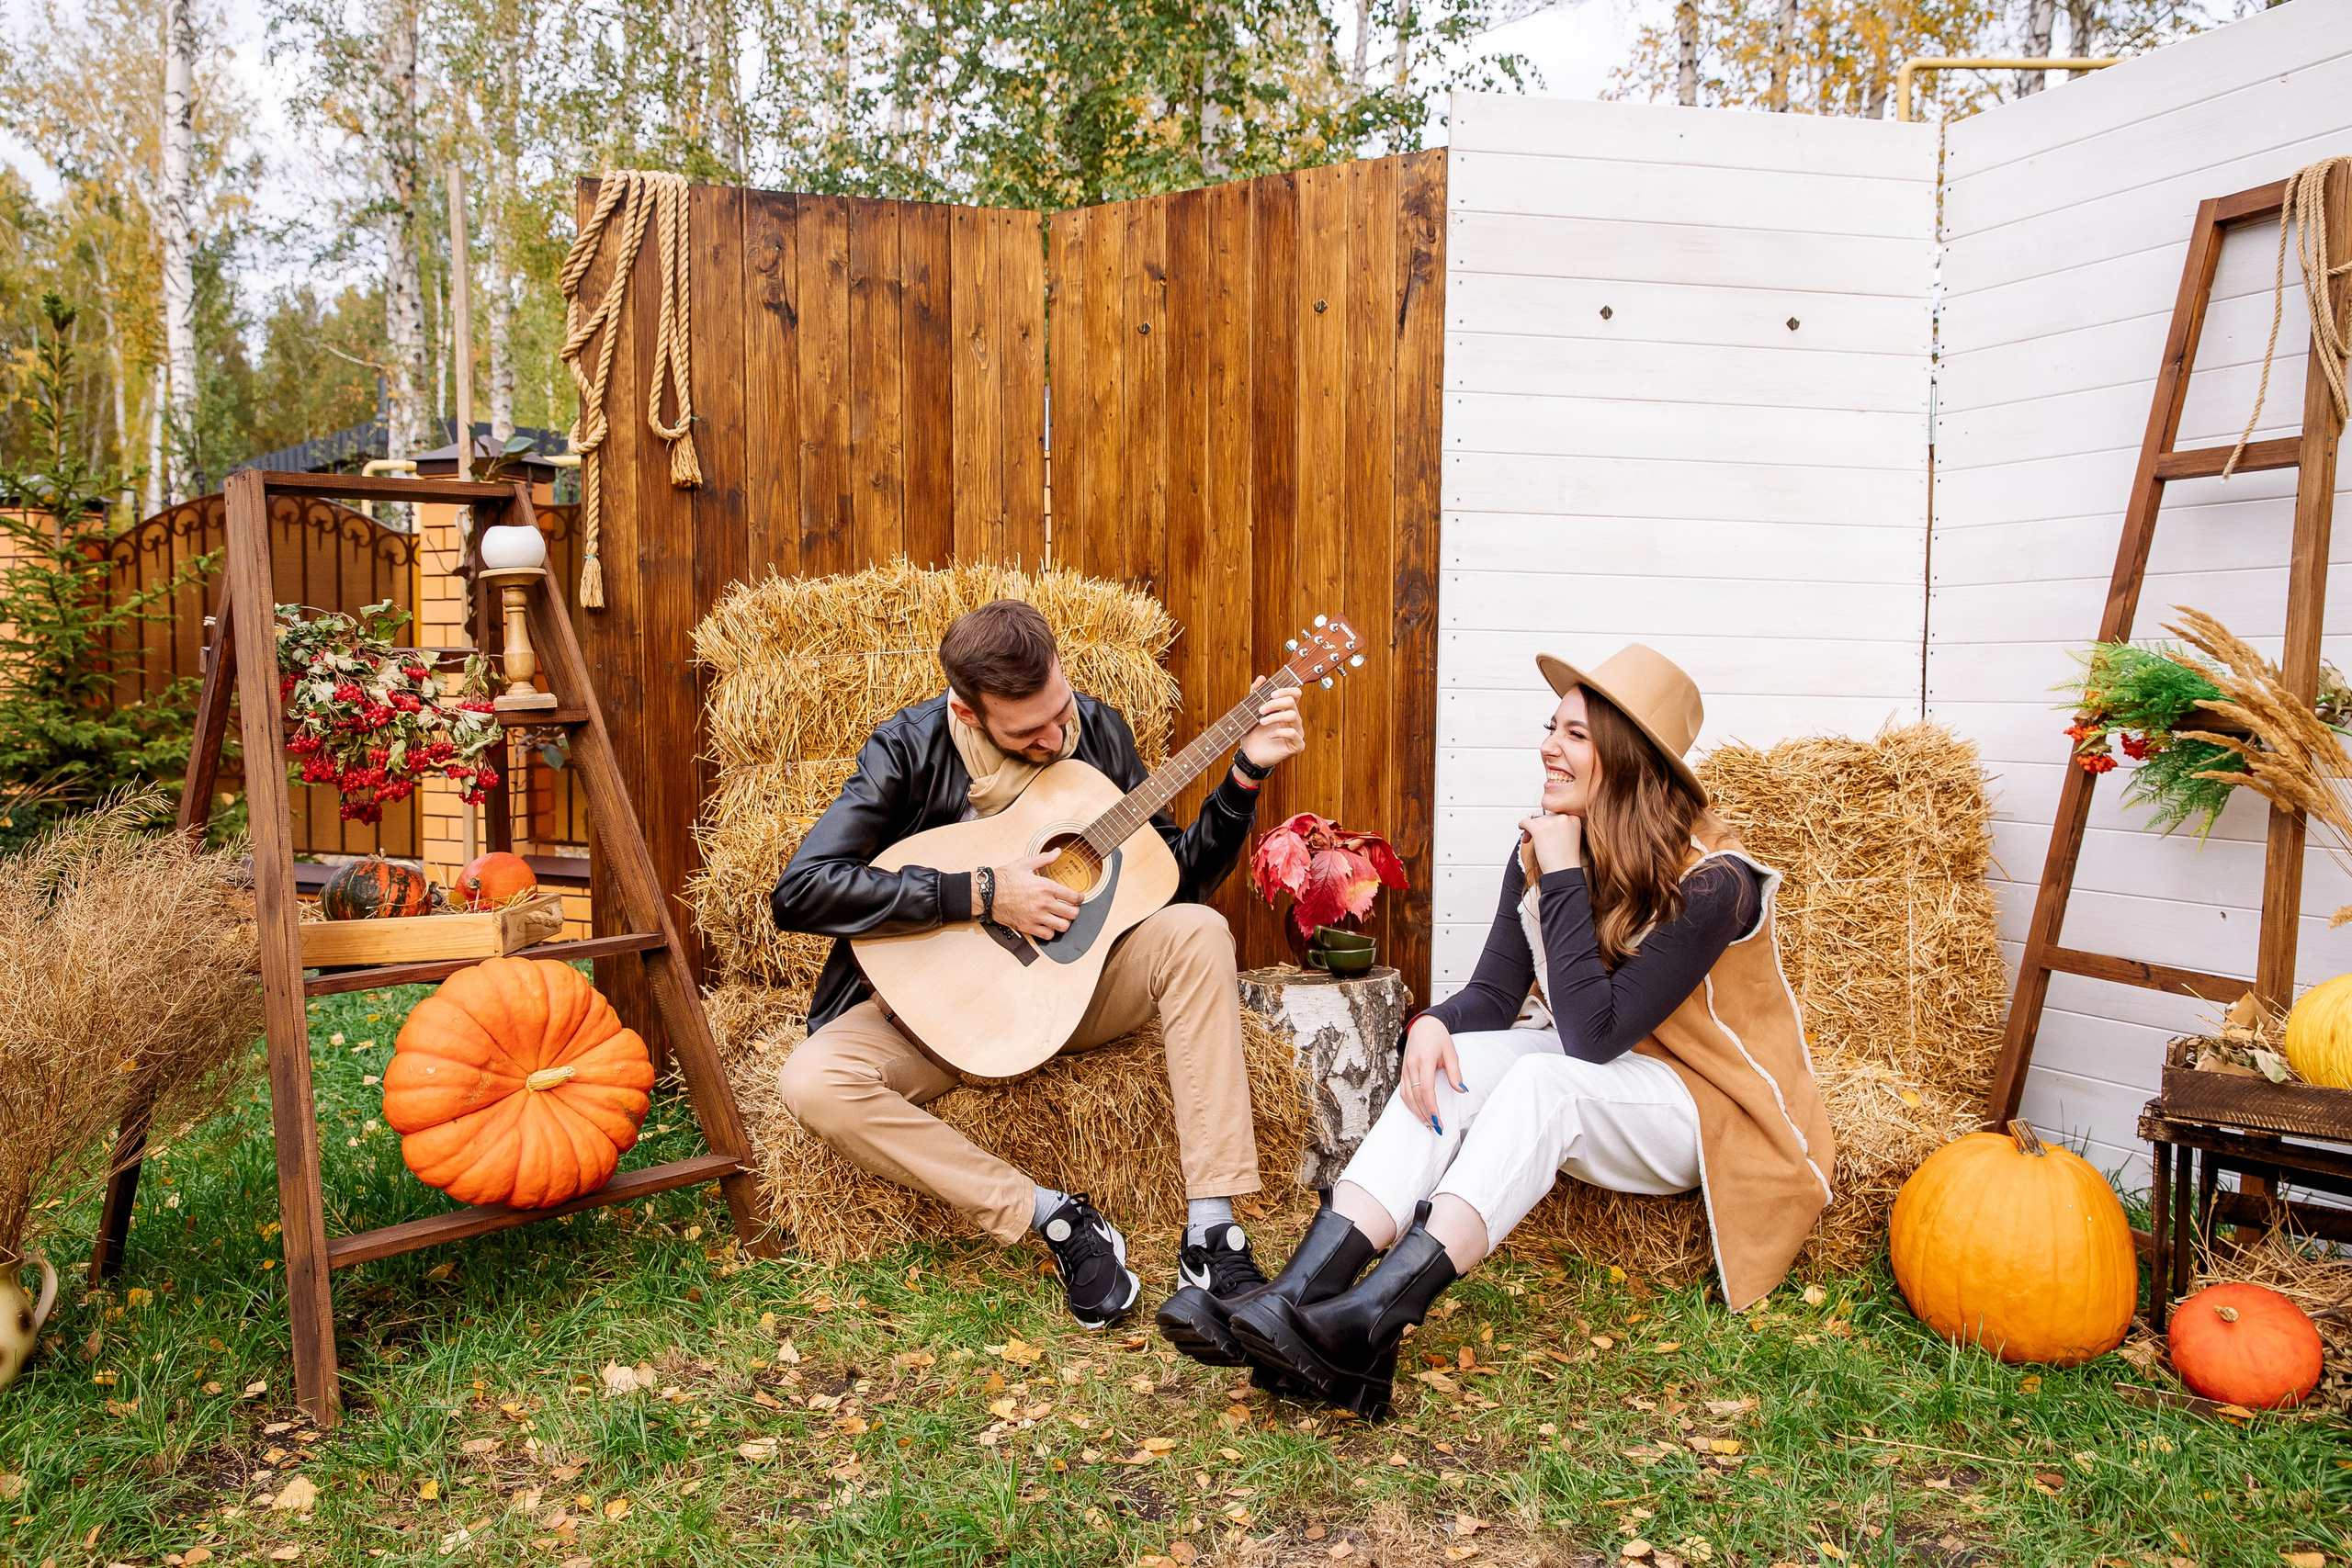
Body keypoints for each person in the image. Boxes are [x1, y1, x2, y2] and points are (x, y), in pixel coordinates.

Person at [1198, 644, 1834, 1417]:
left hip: (1710, 1107)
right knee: (1456, 1060)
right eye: (1551, 727)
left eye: (1575, 734)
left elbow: (1593, 1034)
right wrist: (1433, 1023)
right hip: (1611, 1072)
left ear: (1628, 760)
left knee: (1542, 1081)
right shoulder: (1547, 844)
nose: (1548, 747)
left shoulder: (1715, 882)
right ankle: (1297, 1295)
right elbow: (1497, 994)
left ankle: (1371, 1321)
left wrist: (1561, 875)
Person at [770, 599, 1305, 1330]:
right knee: (811, 1081)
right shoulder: (906, 749)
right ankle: (1052, 1216)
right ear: (968, 710)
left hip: (1069, 995)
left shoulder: (1100, 731)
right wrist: (982, 892)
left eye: (1059, 711)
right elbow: (802, 890)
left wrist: (1243, 776)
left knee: (1199, 930)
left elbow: (1173, 880)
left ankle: (1213, 1231)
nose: (1055, 739)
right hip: (938, 1013)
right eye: (1028, 731)